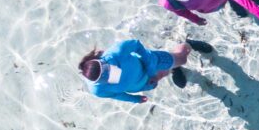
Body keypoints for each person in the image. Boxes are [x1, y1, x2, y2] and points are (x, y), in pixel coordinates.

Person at [78, 38, 212, 103]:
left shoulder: (117, 52)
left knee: (182, 59)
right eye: (105, 78)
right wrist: (134, 99)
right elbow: (115, 95)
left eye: (108, 70)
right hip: (143, 83)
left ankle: (188, 44)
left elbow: (136, 45)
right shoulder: (97, 90)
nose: (109, 76)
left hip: (150, 62)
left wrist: (151, 69)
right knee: (163, 74)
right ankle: (173, 69)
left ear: (104, 62)